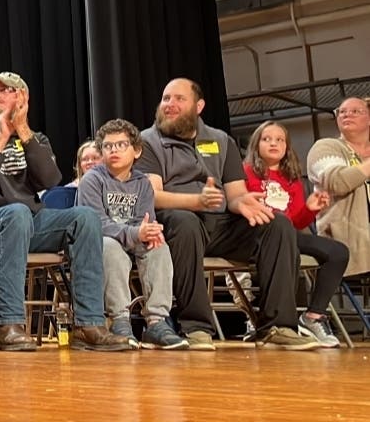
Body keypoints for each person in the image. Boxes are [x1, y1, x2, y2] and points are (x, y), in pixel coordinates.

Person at [0, 71, 132, 351]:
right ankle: (9, 324)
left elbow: (50, 180)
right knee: (16, 213)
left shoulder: (35, 139)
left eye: (4, 89)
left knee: (84, 218)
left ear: (22, 98)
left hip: (29, 222)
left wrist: (22, 132)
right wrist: (0, 139)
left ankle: (88, 324)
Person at [135, 77, 318, 350]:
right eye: (166, 98)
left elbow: (234, 193)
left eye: (178, 99)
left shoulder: (220, 140)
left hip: (219, 223)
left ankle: (277, 326)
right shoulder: (148, 141)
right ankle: (196, 327)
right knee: (184, 223)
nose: (169, 105)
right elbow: (153, 196)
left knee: (277, 223)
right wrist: (197, 201)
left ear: (199, 106)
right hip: (177, 220)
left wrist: (244, 202)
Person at [79, 119, 188, 350]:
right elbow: (95, 223)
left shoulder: (143, 183)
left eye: (121, 145)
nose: (114, 150)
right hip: (103, 241)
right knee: (110, 247)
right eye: (108, 146)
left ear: (136, 150)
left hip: (132, 237)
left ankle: (157, 322)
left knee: (158, 246)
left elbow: (144, 220)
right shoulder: (92, 180)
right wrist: (136, 232)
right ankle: (119, 320)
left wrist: (151, 231)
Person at [244, 120, 347, 348]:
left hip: (288, 233)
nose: (274, 143)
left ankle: (313, 316)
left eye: (280, 140)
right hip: (260, 234)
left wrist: (310, 209)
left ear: (287, 147)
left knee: (338, 252)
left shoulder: (291, 177)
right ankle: (265, 318)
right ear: (256, 144)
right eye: (267, 139)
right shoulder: (247, 172)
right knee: (286, 251)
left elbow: (295, 222)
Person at [307, 97, 370, 278]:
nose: (346, 114)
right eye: (341, 111)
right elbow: (337, 182)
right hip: (348, 241)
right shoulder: (326, 147)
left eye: (355, 111)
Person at [42, 140, 102, 209]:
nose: (90, 162)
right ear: (80, 165)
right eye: (85, 159)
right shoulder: (68, 191)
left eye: (95, 158)